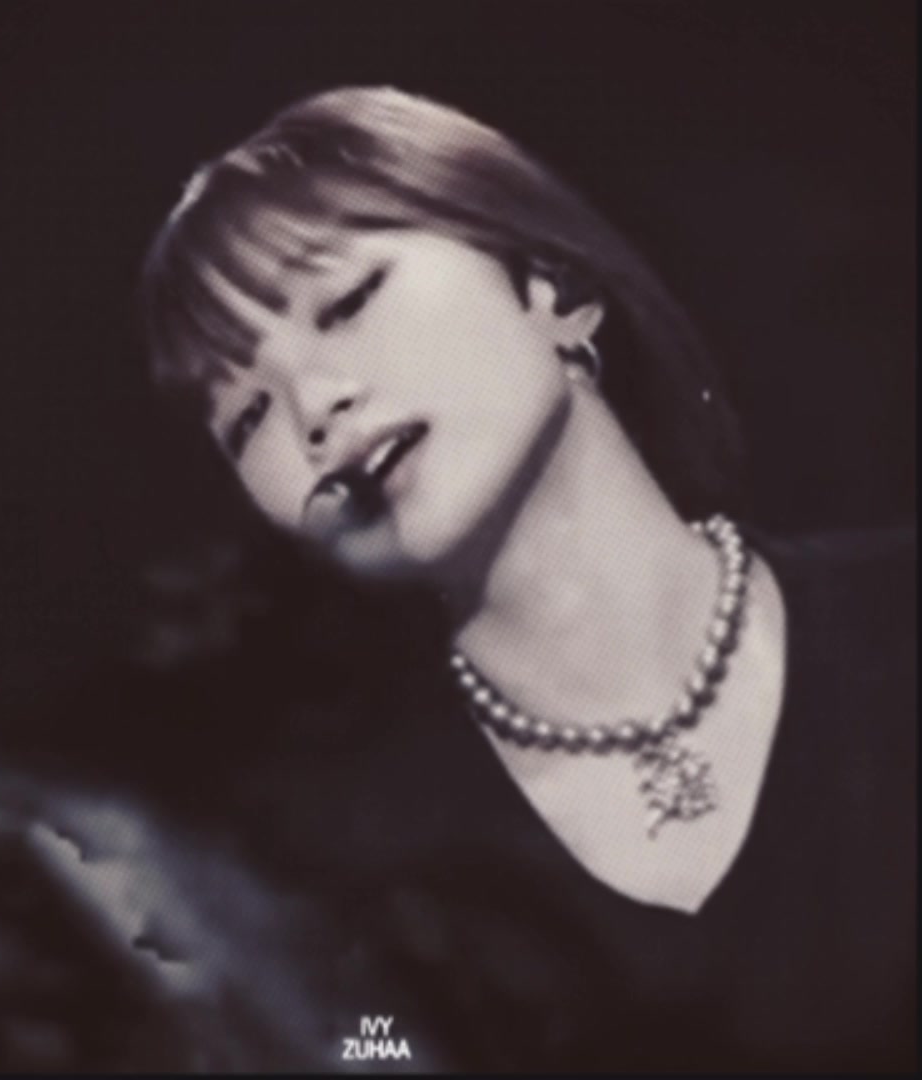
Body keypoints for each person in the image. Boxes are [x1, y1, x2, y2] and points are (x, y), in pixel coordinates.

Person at [138, 85, 916, 1071]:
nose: (312, 412)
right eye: (245, 418)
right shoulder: (341, 882)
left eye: (345, 303)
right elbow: (365, 1051)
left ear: (549, 288)